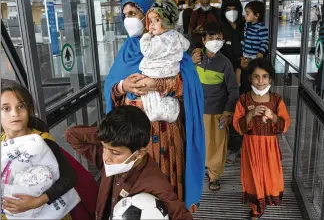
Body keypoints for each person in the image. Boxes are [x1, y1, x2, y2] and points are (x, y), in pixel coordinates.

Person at [103, 0, 205, 212]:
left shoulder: (171, 46)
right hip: (132, 136)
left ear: (148, 15)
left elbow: (189, 86)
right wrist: (123, 86)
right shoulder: (126, 52)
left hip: (166, 133)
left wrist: (157, 85)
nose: (129, 19)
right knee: (135, 189)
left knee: (166, 182)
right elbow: (111, 86)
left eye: (134, 13)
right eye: (125, 14)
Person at [65, 105, 193, 220]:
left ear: (139, 153)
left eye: (115, 153)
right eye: (104, 147)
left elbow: (181, 215)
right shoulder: (110, 159)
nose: (106, 158)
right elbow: (72, 135)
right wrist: (107, 135)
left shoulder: (154, 183)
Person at [0, 80, 77, 220]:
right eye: (6, 108)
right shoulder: (2, 143)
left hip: (49, 213)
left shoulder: (42, 141)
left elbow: (69, 178)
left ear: (30, 110)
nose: (15, 113)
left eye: (21, 106)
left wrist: (36, 202)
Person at [233, 58, 291, 219]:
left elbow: (285, 124)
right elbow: (238, 125)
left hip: (269, 147)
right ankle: (256, 208)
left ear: (270, 79)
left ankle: (265, 200)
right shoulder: (244, 100)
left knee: (268, 175)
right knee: (253, 175)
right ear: (250, 78)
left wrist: (272, 116)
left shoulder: (276, 100)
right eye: (256, 76)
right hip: (251, 146)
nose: (260, 81)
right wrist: (251, 114)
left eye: (264, 76)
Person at [191, 23, 239, 191]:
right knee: (201, 143)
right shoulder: (195, 58)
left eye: (218, 38)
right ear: (203, 40)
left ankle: (214, 176)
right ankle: (202, 168)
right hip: (197, 111)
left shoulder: (225, 63)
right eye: (211, 38)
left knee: (218, 145)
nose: (215, 42)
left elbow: (233, 90)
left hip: (218, 112)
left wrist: (227, 112)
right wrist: (191, 62)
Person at [140, 0, 190, 123]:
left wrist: (146, 37)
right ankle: (170, 113)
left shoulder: (158, 40)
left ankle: (156, 114)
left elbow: (147, 51)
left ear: (167, 20)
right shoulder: (177, 36)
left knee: (153, 100)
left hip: (155, 74)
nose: (152, 25)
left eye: (156, 20)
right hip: (171, 73)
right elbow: (186, 45)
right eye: (150, 21)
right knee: (167, 100)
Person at [220, 0, 246, 165]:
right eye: (227, 9)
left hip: (246, 76)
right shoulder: (221, 28)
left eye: (234, 9)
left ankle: (239, 146)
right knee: (229, 110)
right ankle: (229, 147)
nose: (231, 12)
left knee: (243, 110)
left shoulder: (246, 26)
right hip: (226, 79)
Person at [241, 0, 269, 94]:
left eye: (248, 13)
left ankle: (256, 93)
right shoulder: (246, 25)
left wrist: (260, 52)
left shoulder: (261, 28)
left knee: (254, 76)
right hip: (246, 56)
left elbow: (265, 41)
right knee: (246, 77)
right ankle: (247, 94)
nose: (245, 15)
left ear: (256, 16)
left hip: (254, 57)